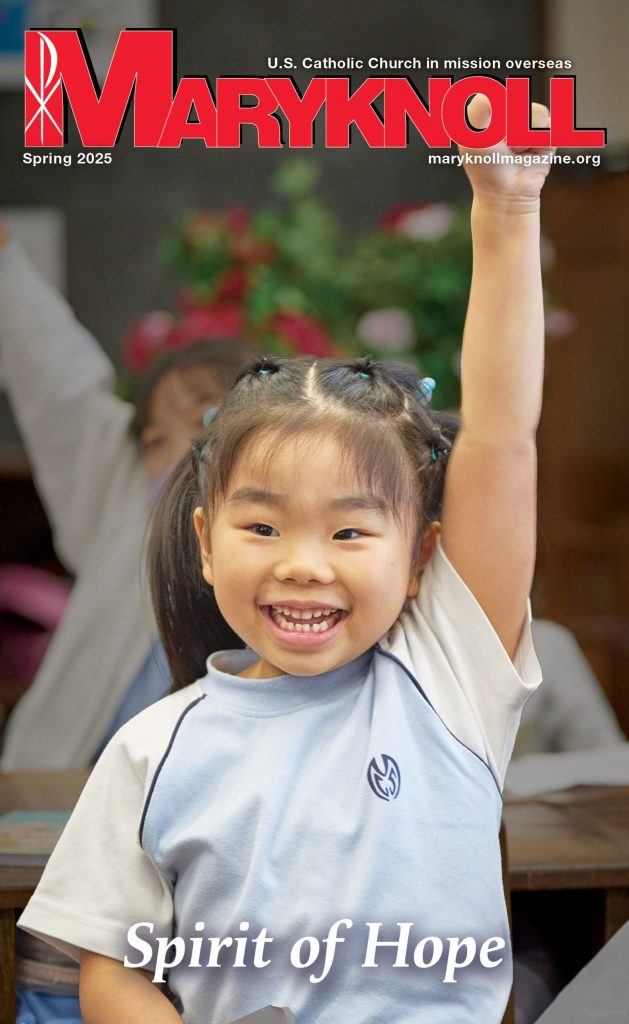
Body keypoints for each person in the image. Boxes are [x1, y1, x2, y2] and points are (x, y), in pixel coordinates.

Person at [18, 96, 550, 1024]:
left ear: (422, 557)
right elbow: (108, 972)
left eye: (349, 532)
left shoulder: (446, 684)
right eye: (262, 528)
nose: (304, 564)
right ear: (204, 542)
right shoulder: (153, 749)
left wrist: (505, 212)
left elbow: (501, 443)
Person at [0, 215, 257, 771]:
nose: (176, 454)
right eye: (154, 440)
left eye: (205, 420)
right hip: (67, 790)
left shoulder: (298, 541)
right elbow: (57, 381)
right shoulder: (128, 505)